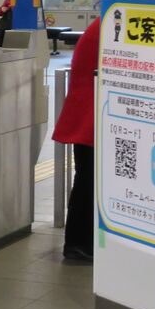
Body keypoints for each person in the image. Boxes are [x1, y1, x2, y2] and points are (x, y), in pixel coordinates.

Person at [52, 16, 99, 262]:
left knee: (87, 178)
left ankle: (79, 243)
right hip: (93, 117)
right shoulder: (113, 24)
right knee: (89, 180)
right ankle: (80, 244)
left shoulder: (106, 23)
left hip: (90, 115)